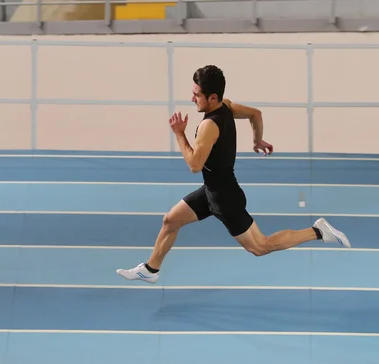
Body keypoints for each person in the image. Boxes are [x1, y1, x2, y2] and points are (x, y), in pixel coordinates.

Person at [116, 65, 351, 284]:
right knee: (170, 220)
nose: (192, 99)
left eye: (197, 95)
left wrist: (179, 134)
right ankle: (151, 269)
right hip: (212, 191)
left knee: (261, 246)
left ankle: (319, 232)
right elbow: (256, 114)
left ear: (213, 98)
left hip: (224, 198)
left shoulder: (209, 126)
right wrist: (257, 140)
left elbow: (194, 165)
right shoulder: (226, 106)